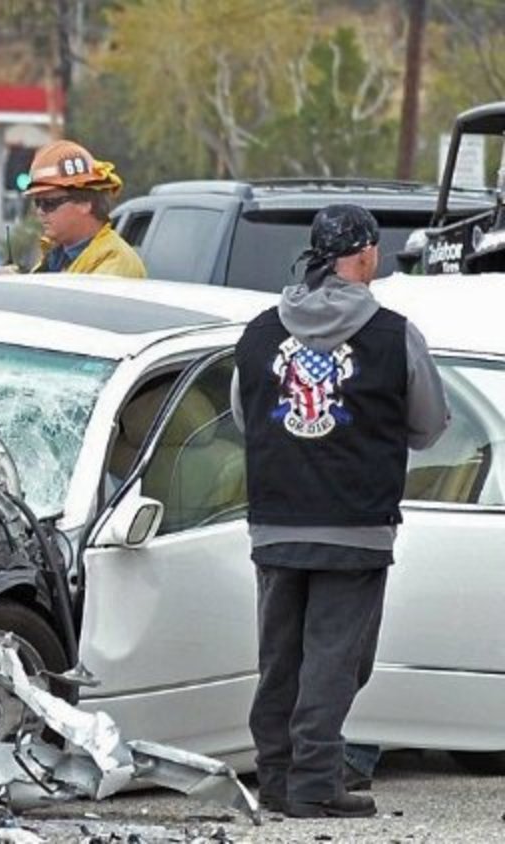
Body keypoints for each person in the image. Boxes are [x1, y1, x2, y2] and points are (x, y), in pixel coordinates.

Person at [230, 204, 448, 819]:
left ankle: (276, 777)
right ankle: (316, 784)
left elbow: (247, 419)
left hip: (274, 522)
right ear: (367, 254)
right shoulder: (393, 333)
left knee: (281, 656)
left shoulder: (259, 331)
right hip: (356, 525)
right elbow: (429, 426)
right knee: (336, 658)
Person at [23, 139, 146, 278]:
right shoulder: (58, 256)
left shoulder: (116, 263)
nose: (40, 211)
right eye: (37, 202)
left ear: (85, 203)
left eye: (49, 203)